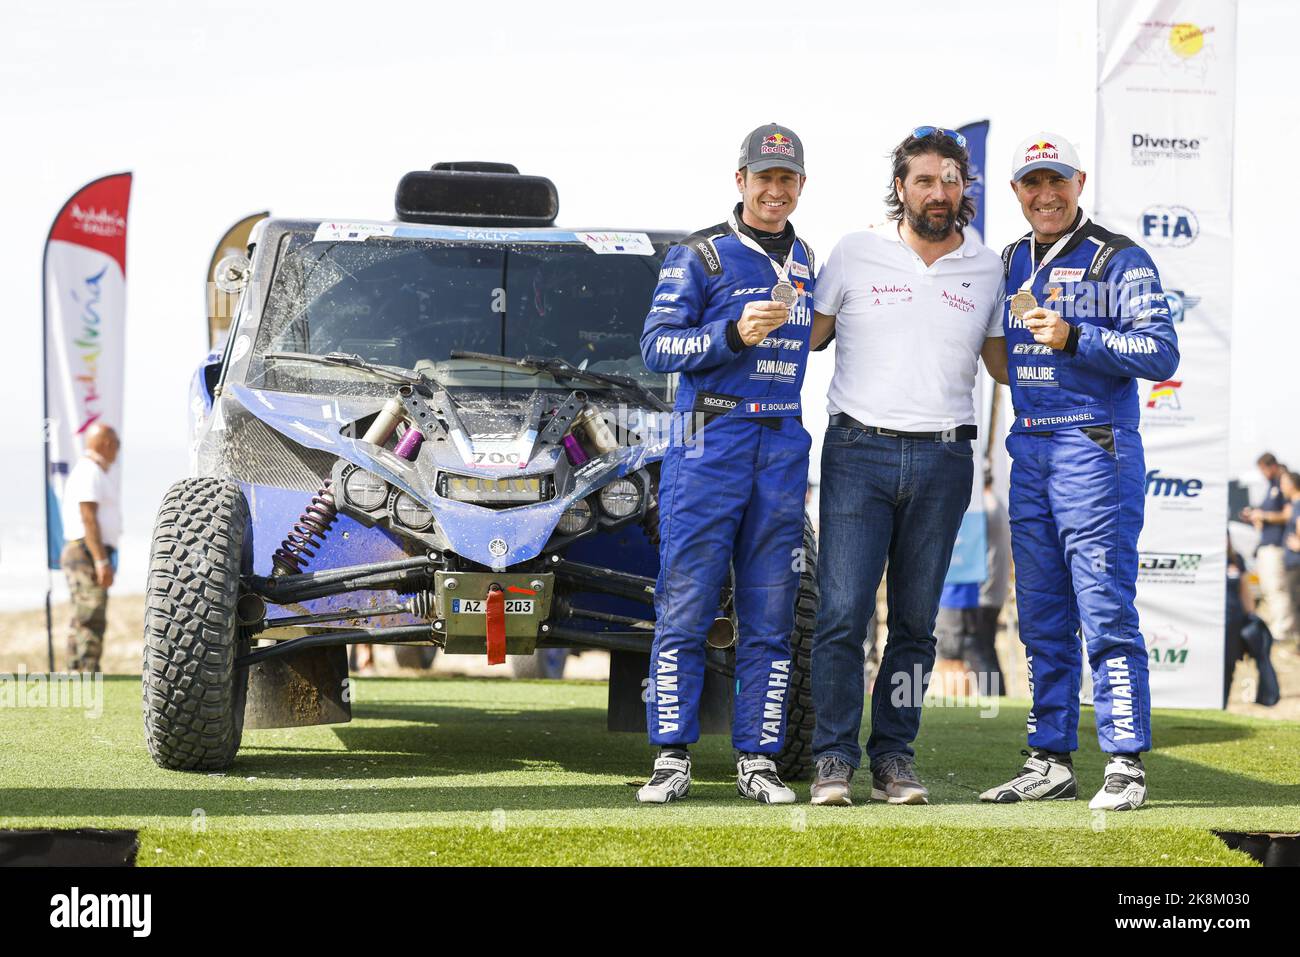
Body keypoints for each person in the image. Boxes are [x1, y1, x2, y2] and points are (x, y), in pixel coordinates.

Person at [807, 127, 1007, 807]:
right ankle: (832, 758)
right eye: (925, 179)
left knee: (917, 622)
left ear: (964, 189)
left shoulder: (988, 267)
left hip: (945, 457)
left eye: (951, 180)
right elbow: (805, 337)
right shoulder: (854, 251)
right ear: (900, 187)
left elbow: (1003, 364)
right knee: (841, 613)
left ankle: (895, 756)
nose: (939, 192)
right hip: (855, 452)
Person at [979, 133, 1179, 811]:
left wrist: (1075, 336)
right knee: (1039, 615)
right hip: (1029, 446)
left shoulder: (1119, 257)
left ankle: (1125, 762)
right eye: (1032, 183)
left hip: (1095, 445)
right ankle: (1050, 758)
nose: (1046, 194)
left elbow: (1160, 350)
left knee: (1104, 609)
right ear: (1016, 193)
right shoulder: (1008, 258)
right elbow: (1003, 357)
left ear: (1079, 182)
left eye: (1056, 181)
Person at [635, 123, 816, 805]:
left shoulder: (806, 256)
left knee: (771, 615)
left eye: (787, 178)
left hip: (782, 445)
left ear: (801, 185)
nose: (775, 189)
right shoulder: (700, 257)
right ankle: (672, 756)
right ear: (739, 181)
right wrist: (730, 334)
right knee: (686, 604)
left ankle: (757, 760)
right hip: (709, 440)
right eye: (763, 177)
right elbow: (655, 348)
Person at [59, 423, 121, 673]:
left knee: (83, 614)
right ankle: (85, 669)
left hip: (86, 551)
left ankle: (77, 669)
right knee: (90, 614)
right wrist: (101, 560)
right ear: (106, 444)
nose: (117, 452)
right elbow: (88, 517)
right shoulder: (90, 471)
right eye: (116, 445)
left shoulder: (93, 471)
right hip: (85, 551)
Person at [1242, 453, 1297, 644]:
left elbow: (1288, 514)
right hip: (1267, 545)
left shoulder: (1284, 484)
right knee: (1269, 589)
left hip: (1277, 546)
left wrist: (1263, 515)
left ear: (1271, 466)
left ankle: (1282, 631)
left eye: (1264, 469)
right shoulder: (1272, 486)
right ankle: (1278, 627)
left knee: (1277, 589)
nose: (1262, 474)